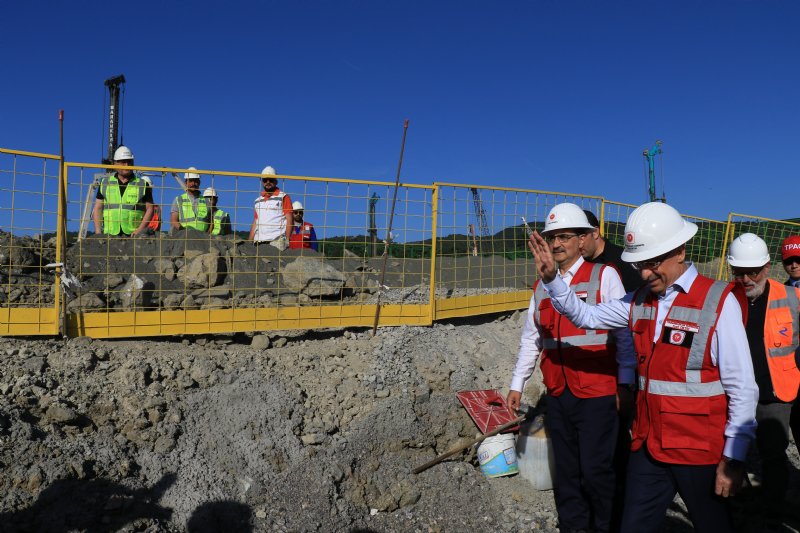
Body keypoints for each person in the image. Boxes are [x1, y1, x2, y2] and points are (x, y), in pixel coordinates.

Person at [527, 201, 758, 533]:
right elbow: (587, 316)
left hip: (699, 451)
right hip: (649, 446)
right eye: (639, 265)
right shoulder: (638, 300)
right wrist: (553, 280)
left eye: (653, 263)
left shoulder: (718, 301)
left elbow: (742, 387)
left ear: (679, 251)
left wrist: (734, 458)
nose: (646, 273)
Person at [507, 203, 635, 533]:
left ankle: (605, 525)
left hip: (598, 394)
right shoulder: (541, 287)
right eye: (551, 238)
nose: (556, 244)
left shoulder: (605, 276)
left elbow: (624, 337)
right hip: (560, 394)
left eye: (564, 236)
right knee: (566, 472)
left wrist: (625, 383)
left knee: (596, 471)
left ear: (583, 240)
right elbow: (531, 339)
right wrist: (517, 384)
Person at [726, 233, 800, 530]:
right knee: (734, 450)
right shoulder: (725, 296)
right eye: (739, 272)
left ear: (767, 267)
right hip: (736, 390)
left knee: (772, 453)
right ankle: (739, 499)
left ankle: (772, 509)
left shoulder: (792, 297)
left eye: (752, 272)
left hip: (777, 392)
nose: (745, 278)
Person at [92, 145, 154, 237]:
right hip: (110, 233)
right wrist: (98, 233)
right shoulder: (105, 183)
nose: (127, 165)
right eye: (123, 162)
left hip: (133, 234)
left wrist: (139, 230)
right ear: (115, 164)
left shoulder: (143, 184)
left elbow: (150, 209)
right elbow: (98, 208)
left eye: (129, 162)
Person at [581, 210, 641, 292]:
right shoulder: (578, 262)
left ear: (595, 233)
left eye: (582, 236)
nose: (579, 243)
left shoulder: (623, 260)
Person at [248, 165, 293, 250]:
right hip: (259, 242)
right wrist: (249, 242)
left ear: (276, 181)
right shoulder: (258, 201)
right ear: (262, 181)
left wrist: (287, 240)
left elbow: (290, 219)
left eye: (271, 179)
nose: (268, 182)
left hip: (277, 241)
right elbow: (256, 222)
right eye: (265, 180)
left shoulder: (283, 197)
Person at [170, 167, 211, 233]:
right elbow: (173, 221)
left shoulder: (206, 201)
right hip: (184, 237)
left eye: (195, 181)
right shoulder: (178, 200)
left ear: (199, 182)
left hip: (203, 238)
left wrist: (207, 236)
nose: (193, 183)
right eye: (191, 181)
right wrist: (183, 232)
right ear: (186, 182)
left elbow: (211, 222)